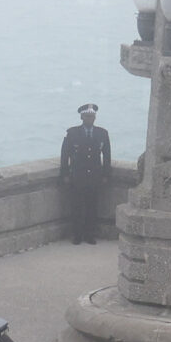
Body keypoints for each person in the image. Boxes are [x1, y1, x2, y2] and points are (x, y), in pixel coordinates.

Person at [59, 103, 113, 244]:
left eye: (93, 116)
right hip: (77, 176)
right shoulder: (72, 133)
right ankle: (77, 235)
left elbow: (107, 156)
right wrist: (64, 174)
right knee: (76, 207)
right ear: (82, 117)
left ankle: (90, 234)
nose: (91, 119)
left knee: (92, 207)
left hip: (95, 176)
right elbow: (64, 155)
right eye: (88, 116)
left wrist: (106, 175)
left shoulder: (102, 133)